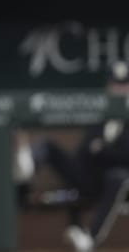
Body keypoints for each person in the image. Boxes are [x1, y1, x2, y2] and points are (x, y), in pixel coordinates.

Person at [32, 61, 129, 252]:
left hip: (116, 183)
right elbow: (85, 150)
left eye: (124, 85)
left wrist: (102, 150)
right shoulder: (100, 112)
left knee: (117, 177)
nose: (119, 90)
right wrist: (102, 150)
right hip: (90, 177)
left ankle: (90, 238)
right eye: (114, 85)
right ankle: (24, 168)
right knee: (48, 145)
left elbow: (124, 156)